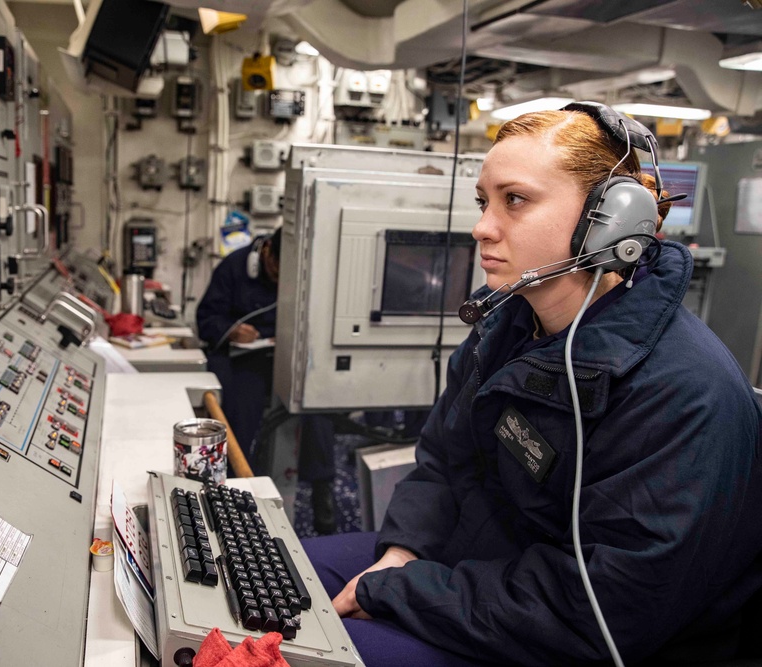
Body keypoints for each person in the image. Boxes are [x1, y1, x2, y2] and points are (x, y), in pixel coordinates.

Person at [302, 104, 762, 666]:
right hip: (485, 570)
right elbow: (446, 459)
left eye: (514, 200)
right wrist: (401, 554)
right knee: (289, 573)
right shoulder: (508, 328)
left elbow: (601, 608)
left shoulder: (684, 393)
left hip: (576, 631)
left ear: (609, 221)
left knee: (318, 649)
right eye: (483, 201)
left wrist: (401, 592)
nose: (482, 226)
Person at [196, 229, 339, 534]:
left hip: (286, 355)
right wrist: (233, 330)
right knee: (240, 404)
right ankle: (236, 485)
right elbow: (206, 319)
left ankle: (322, 492)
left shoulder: (305, 276)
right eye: (276, 271)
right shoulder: (234, 267)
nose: (279, 280)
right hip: (246, 358)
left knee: (316, 405)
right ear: (266, 253)